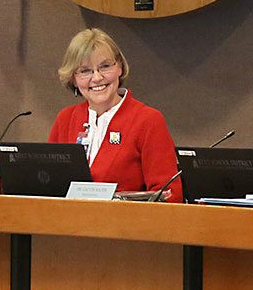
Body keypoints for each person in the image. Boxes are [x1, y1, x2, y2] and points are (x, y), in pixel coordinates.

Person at [47, 28, 181, 201]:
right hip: (67, 218)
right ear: (73, 78)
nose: (97, 78)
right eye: (85, 71)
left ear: (120, 67)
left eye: (105, 66)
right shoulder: (65, 119)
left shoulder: (148, 120)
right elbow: (48, 187)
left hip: (126, 218)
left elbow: (170, 195)